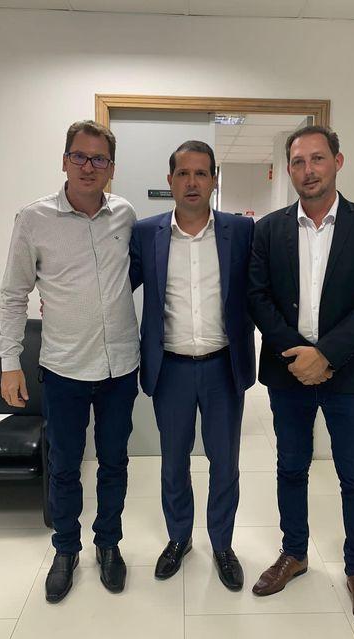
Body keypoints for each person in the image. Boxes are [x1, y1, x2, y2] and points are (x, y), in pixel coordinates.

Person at [248, 125, 354, 634]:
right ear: (289, 169)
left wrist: (326, 354)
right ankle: (294, 553)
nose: (308, 170)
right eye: (298, 161)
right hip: (287, 368)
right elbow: (257, 296)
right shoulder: (268, 230)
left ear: (337, 161)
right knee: (291, 466)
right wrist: (298, 355)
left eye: (317, 159)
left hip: (350, 371)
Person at [0, 120, 139, 603]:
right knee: (63, 466)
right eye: (79, 156)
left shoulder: (125, 214)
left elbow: (132, 275)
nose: (88, 166)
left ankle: (108, 544)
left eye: (99, 159)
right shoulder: (33, 218)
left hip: (120, 368)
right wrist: (9, 362)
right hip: (63, 370)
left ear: (111, 168)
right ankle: (65, 549)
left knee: (115, 463)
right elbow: (14, 295)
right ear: (64, 161)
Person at [129, 140, 255, 591]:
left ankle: (222, 544)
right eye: (183, 173)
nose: (192, 182)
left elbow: (261, 288)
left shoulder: (241, 231)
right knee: (173, 461)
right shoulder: (146, 233)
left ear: (214, 180)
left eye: (202, 173)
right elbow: (114, 286)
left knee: (225, 463)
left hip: (224, 366)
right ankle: (179, 538)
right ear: (170, 181)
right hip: (172, 369)